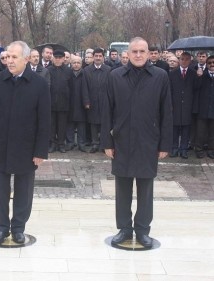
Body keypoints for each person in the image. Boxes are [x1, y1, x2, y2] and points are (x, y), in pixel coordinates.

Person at [101, 37, 173, 248]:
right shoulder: (115, 76)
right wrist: (107, 141)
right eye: (135, 52)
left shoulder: (160, 76)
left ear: (149, 53)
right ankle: (124, 228)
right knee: (122, 187)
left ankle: (142, 229)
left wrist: (165, 144)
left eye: (143, 51)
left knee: (145, 188)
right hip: (121, 141)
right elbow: (107, 111)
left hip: (148, 141)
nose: (139, 55)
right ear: (128, 54)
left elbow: (166, 112)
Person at [0, 41, 50, 245]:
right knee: (0, 191)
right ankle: (1, 228)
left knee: (24, 190)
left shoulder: (39, 84)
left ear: (26, 59)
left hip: (27, 148)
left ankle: (19, 228)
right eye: (7, 57)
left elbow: (44, 121)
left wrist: (40, 151)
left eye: (14, 57)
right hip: (0, 145)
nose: (9, 61)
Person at [169, 52, 201, 159]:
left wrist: (199, 76)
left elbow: (197, 89)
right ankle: (174, 148)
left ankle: (183, 149)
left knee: (186, 129)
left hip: (188, 106)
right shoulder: (172, 73)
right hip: (175, 105)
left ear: (190, 61)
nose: (184, 61)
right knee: (175, 128)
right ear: (179, 60)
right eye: (182, 59)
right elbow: (169, 90)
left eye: (187, 59)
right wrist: (170, 104)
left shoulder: (193, 73)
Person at [82, 48, 111, 153]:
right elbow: (84, 87)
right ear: (93, 57)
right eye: (96, 56)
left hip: (105, 101)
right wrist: (86, 101)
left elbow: (110, 87)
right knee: (93, 123)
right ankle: (95, 144)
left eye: (100, 56)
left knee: (104, 123)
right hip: (92, 101)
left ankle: (104, 144)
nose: (98, 58)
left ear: (103, 57)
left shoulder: (108, 70)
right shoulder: (87, 70)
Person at [47, 49, 74, 153]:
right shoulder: (49, 70)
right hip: (51, 103)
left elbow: (71, 88)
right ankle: (53, 143)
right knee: (52, 125)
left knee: (62, 126)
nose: (58, 60)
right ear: (53, 58)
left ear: (63, 59)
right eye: (56, 58)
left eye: (60, 58)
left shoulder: (68, 71)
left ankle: (61, 144)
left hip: (64, 104)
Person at [66, 55, 87, 152]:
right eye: (74, 62)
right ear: (71, 63)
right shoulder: (68, 74)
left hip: (81, 103)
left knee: (81, 125)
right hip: (70, 103)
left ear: (81, 64)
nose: (76, 64)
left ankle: (81, 143)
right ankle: (70, 143)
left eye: (78, 63)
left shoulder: (85, 74)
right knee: (69, 124)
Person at [195, 55, 214, 159]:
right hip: (203, 108)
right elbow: (196, 88)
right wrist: (199, 76)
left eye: (213, 62)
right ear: (206, 65)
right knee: (200, 132)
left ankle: (211, 149)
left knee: (212, 132)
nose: (212, 64)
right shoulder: (202, 74)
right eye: (209, 63)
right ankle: (199, 149)